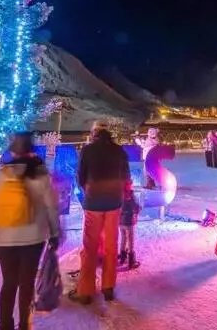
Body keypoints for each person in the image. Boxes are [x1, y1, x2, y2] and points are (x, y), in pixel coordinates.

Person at [0, 132, 61, 330]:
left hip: (3, 237)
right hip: (33, 238)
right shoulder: (40, 175)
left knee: (9, 284)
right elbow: (51, 207)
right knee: (26, 285)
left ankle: (5, 326)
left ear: (11, 151)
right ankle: (25, 325)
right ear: (31, 151)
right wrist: (54, 233)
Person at [69, 121, 129, 304]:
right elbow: (126, 176)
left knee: (90, 247)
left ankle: (85, 291)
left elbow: (80, 176)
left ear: (94, 133)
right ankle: (108, 287)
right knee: (111, 246)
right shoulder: (119, 151)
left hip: (93, 203)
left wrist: (89, 189)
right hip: (113, 204)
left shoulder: (87, 150)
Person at [118, 179, 141, 269]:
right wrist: (137, 211)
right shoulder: (131, 195)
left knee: (123, 238)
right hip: (129, 221)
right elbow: (135, 206)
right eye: (131, 184)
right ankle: (131, 261)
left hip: (120, 221)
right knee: (130, 240)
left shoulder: (119, 195)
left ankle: (122, 257)